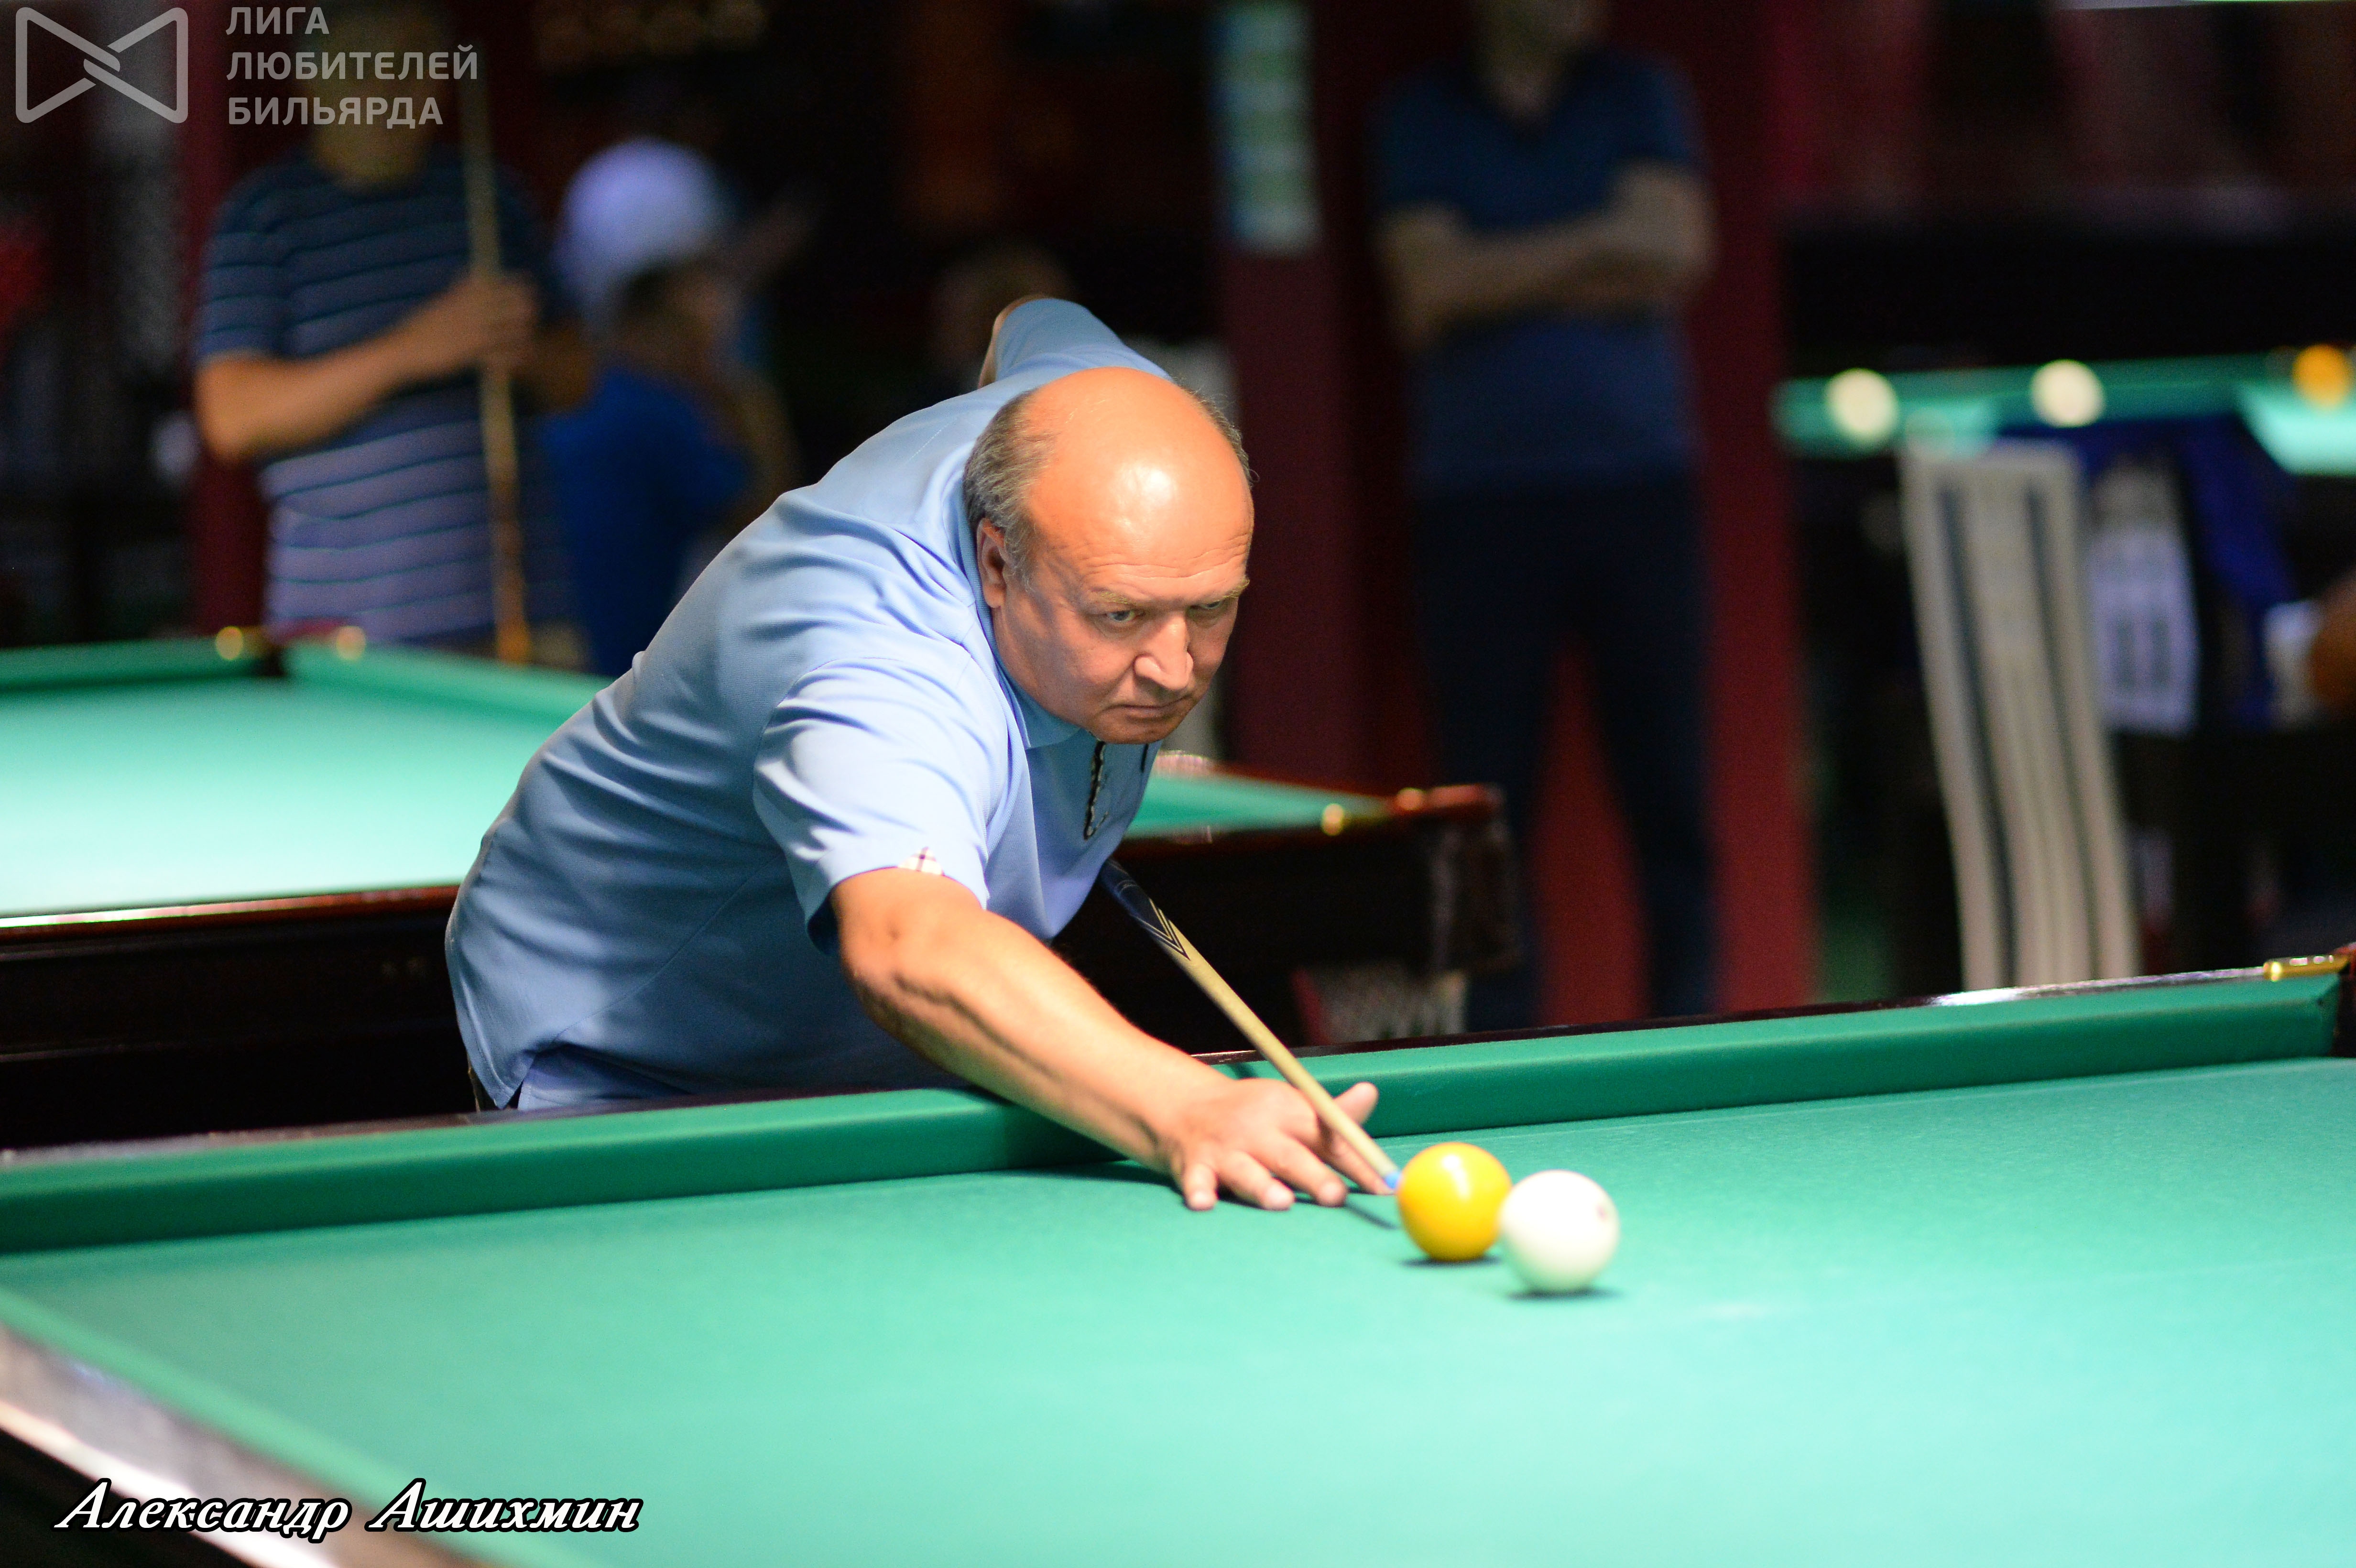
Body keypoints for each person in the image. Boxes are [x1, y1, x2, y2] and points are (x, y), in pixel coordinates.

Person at [447, 299, 1385, 1212]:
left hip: (858, 1047)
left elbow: (1032, 319)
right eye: (1119, 614)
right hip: (629, 1048)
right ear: (996, 564)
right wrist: (1184, 1106)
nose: (1175, 668)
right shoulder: (880, 667)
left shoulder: (1107, 403)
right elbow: (910, 948)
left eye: (1211, 607)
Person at [1375, 0, 1717, 1024]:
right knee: (1486, 807)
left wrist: (1494, 266)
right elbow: (1428, 290)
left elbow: (1675, 248)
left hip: (1639, 493)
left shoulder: (1639, 93)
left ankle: (1693, 1040)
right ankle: (1501, 1052)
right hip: (1479, 504)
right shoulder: (1422, 113)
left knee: (1671, 796)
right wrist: (1603, 249)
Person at [192, 0, 589, 648]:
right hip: (347, 633)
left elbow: (578, 377)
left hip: (518, 616)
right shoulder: (263, 217)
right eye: (366, 66)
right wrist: (416, 348)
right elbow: (233, 416)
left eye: (412, 65)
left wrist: (524, 352)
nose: (391, 89)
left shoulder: (488, 197)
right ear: (313, 81)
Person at [541, 260, 792, 677]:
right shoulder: (660, 413)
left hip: (545, 641)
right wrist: (755, 408)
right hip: (604, 661)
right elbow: (767, 529)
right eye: (696, 333)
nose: (706, 352)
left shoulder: (570, 392)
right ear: (640, 326)